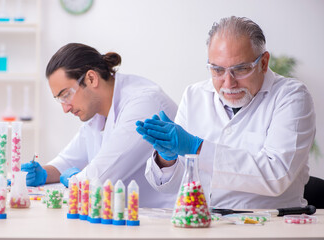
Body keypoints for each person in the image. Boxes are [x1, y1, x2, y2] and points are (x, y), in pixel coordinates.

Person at [136, 16, 316, 209]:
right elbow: (174, 186)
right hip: (203, 221)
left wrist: (196, 148)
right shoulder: (195, 95)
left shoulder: (291, 96)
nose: (229, 83)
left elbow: (276, 175)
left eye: (240, 70)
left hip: (268, 226)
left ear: (263, 63)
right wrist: (167, 159)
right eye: (217, 70)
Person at [21, 43, 177, 208]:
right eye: (60, 100)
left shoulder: (143, 104)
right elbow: (68, 161)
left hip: (167, 222)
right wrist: (43, 174)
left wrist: (74, 179)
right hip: (127, 219)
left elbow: (96, 179)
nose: (65, 108)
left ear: (91, 78)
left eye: (66, 95)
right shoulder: (96, 115)